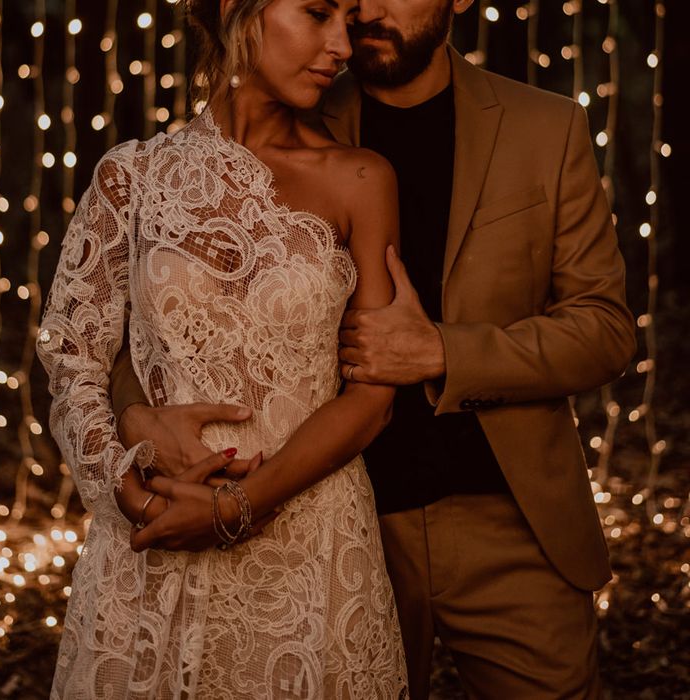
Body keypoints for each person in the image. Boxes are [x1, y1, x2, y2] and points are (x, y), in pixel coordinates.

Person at [111, 0, 637, 697]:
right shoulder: (291, 107)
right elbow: (152, 321)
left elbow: (605, 330)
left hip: (507, 520)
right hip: (328, 522)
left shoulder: (547, 127)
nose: (368, 8)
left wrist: (443, 353)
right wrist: (131, 413)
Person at [36, 0, 412, 694]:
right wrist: (132, 496)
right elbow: (71, 351)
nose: (341, 45)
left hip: (310, 542)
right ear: (241, 10)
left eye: (348, 23)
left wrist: (233, 511)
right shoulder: (133, 177)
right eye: (318, 13)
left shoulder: (362, 178)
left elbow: (372, 394)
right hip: (153, 534)